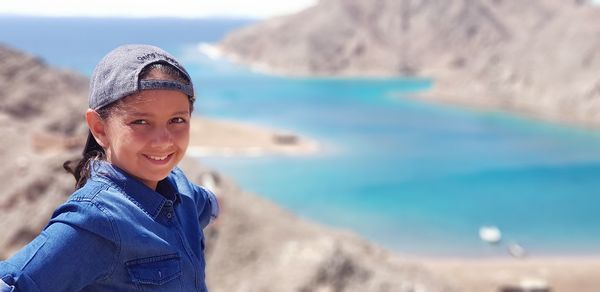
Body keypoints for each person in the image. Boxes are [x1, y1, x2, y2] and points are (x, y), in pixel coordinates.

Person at [0, 44, 219, 291]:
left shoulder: (180, 189)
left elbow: (209, 204)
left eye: (177, 120)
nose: (163, 140)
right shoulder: (95, 220)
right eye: (141, 122)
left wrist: (217, 203)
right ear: (99, 128)